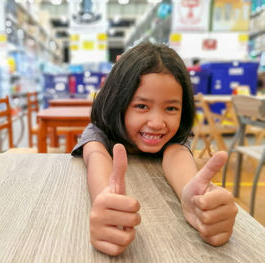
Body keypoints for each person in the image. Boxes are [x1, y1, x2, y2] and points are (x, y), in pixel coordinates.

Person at [71, 41, 238, 256]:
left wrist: (195, 199)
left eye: (171, 108)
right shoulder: (100, 130)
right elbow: (95, 155)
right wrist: (107, 202)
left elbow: (177, 154)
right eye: (142, 106)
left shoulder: (172, 137)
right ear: (117, 102)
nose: (157, 122)